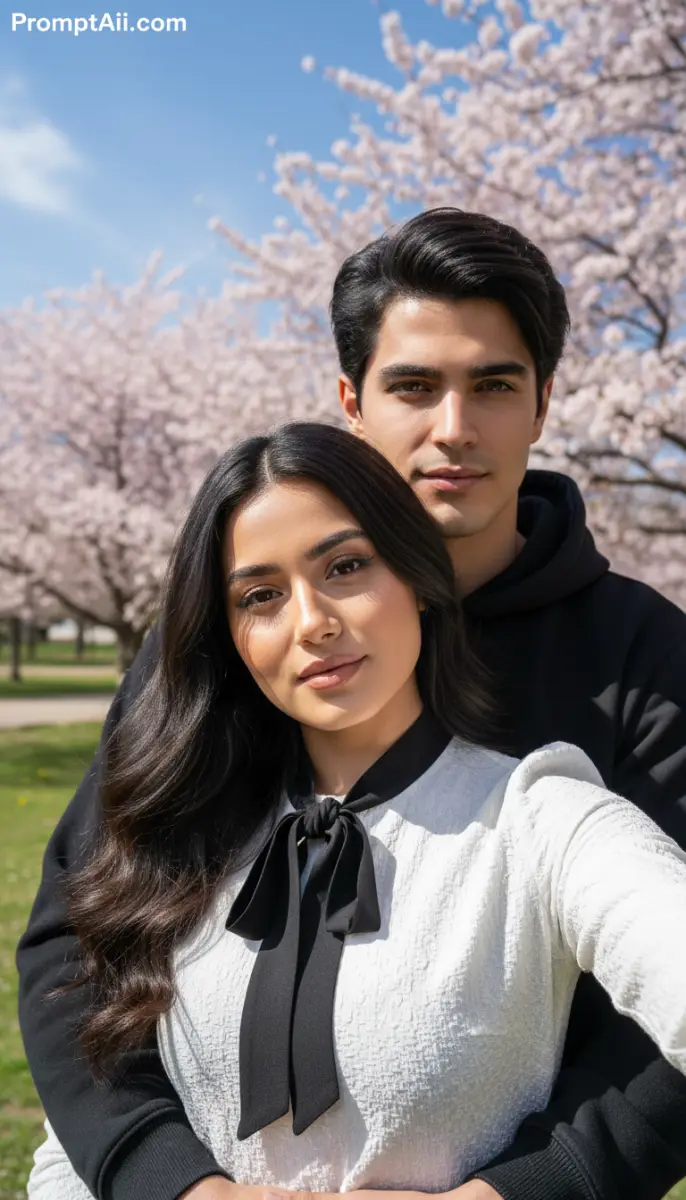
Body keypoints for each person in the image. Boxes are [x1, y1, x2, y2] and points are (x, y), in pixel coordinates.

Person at [17, 209, 686, 1200]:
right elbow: (86, 931)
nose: (452, 428)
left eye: (492, 385)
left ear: (542, 402)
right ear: (351, 402)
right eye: (412, 387)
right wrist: (169, 1177)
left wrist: (528, 1188)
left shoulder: (638, 657)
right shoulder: (216, 658)